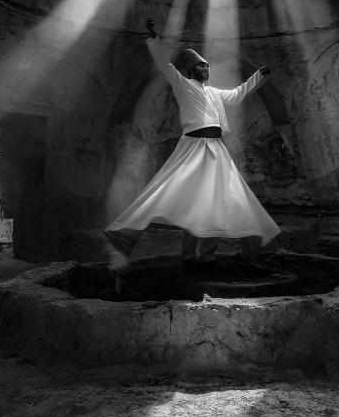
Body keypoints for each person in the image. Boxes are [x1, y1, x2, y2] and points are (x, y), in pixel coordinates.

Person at [105, 18, 281, 268]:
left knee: (224, 199)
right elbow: (165, 66)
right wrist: (154, 40)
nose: (206, 69)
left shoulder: (215, 93)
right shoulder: (183, 86)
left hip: (216, 148)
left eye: (207, 66)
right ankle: (185, 254)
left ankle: (210, 255)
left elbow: (239, 94)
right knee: (187, 201)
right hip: (193, 147)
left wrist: (258, 76)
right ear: (190, 70)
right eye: (201, 66)